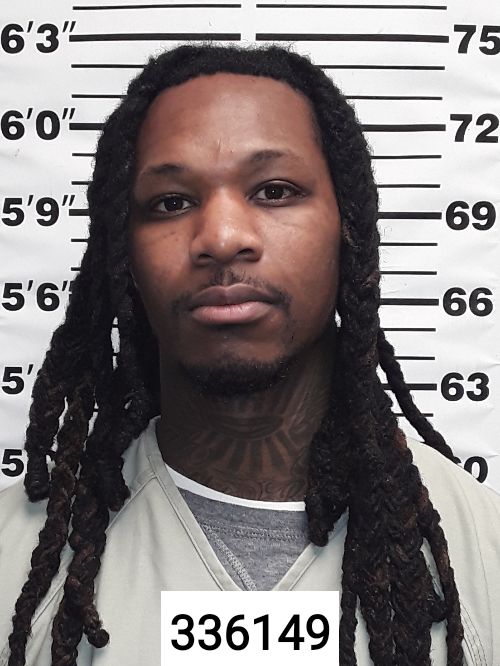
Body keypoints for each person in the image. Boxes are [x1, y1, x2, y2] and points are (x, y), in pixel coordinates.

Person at [0, 43, 499, 666]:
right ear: (122, 256)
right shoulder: (15, 559)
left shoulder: (483, 551)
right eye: (171, 202)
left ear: (348, 227)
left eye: (275, 190)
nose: (222, 237)